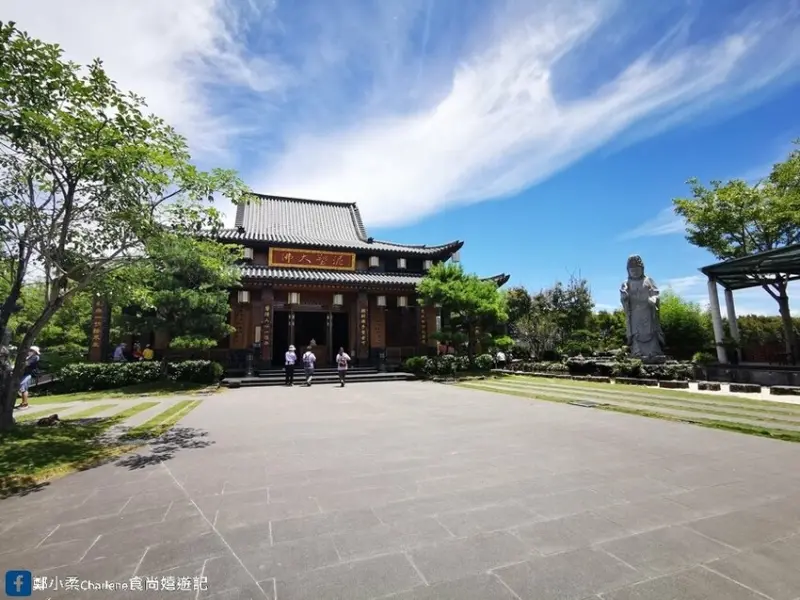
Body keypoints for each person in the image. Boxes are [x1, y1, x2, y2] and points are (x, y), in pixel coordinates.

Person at [16, 346, 41, 410]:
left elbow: (26, 364)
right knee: (23, 388)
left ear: (35, 352)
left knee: (23, 387)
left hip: (29, 374)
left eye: (31, 350)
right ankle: (23, 403)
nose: (29, 351)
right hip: (25, 374)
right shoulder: (29, 357)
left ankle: (25, 404)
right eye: (29, 350)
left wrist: (20, 364)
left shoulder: (35, 357)